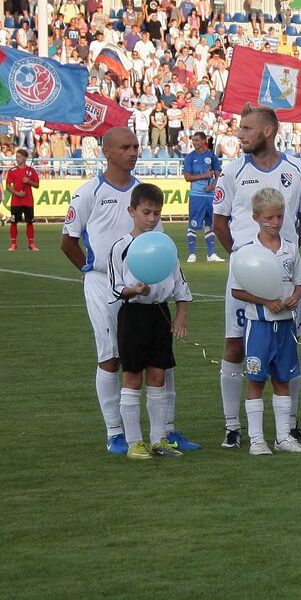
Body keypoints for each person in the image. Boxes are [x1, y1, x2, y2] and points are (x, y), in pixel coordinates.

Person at [62, 128, 195, 454]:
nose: (133, 152)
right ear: (106, 151)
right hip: (104, 283)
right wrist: (89, 271)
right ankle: (116, 434)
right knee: (111, 356)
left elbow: (160, 247)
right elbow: (68, 241)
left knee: (160, 359)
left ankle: (166, 430)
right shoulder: (88, 193)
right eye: (125, 147)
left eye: (136, 146)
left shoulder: (144, 193)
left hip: (147, 288)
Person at [212, 107, 301, 451]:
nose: (240, 134)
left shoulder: (298, 169)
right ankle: (233, 427)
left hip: (285, 278)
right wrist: (246, 262)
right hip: (244, 281)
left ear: (269, 130)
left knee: (289, 347)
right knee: (234, 344)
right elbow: (219, 223)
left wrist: (281, 259)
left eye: (247, 128)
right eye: (239, 128)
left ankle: (289, 426)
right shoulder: (232, 171)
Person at [108, 184, 192, 460]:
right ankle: (134, 442)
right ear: (132, 211)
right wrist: (136, 290)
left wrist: (180, 314)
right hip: (133, 315)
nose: (152, 218)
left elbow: (179, 284)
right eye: (146, 212)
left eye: (157, 213)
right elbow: (116, 287)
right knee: (132, 376)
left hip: (160, 313)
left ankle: (159, 439)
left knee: (158, 377)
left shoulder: (165, 246)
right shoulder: (121, 247)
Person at [230, 189, 301, 455]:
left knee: (283, 379)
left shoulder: (290, 248)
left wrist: (295, 298)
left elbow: (299, 284)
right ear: (256, 218)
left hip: (285, 326)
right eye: (270, 217)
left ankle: (283, 437)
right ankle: (256, 439)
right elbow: (236, 290)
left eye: (279, 216)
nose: (276, 222)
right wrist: (264, 301)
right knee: (256, 380)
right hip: (259, 327)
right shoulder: (246, 252)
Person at [182, 131, 224, 263]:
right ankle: (192, 254)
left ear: (204, 141)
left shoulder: (212, 156)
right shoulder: (190, 157)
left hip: (210, 195)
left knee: (210, 224)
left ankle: (211, 254)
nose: (194, 143)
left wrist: (212, 186)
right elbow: (187, 177)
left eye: (197, 140)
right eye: (193, 140)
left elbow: (219, 175)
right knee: (193, 224)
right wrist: (203, 176)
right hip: (197, 195)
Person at [5, 147, 39, 251]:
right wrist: (17, 193)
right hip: (16, 201)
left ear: (25, 158)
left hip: (28, 201)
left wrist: (29, 181)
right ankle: (13, 244)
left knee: (30, 222)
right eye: (16, 157)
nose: (17, 159)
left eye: (19, 157)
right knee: (14, 222)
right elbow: (8, 186)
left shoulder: (31, 171)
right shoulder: (12, 171)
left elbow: (37, 185)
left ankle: (31, 244)